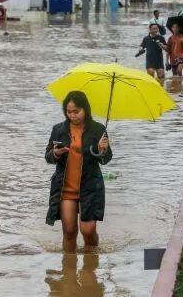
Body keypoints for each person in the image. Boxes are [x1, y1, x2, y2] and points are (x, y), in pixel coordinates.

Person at [45, 91, 112, 252]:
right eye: (69, 112)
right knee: (69, 232)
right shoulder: (58, 129)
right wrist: (55, 153)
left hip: (90, 186)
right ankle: (68, 270)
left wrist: (102, 150)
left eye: (76, 111)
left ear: (85, 110)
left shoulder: (98, 129)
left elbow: (106, 159)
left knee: (88, 231)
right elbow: (48, 156)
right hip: (65, 188)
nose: (72, 115)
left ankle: (91, 262)